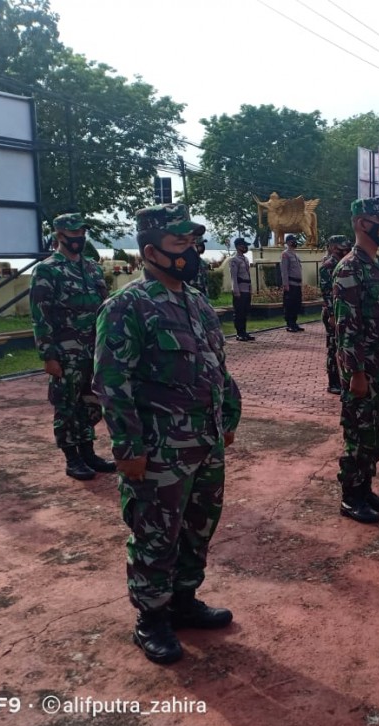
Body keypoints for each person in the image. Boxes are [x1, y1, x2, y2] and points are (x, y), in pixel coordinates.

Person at [93, 203, 242, 665]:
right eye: (182, 243)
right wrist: (127, 448)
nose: (192, 251)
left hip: (205, 442)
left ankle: (183, 600)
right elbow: (112, 384)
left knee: (198, 528)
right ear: (152, 251)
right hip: (158, 449)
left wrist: (229, 417)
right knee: (156, 534)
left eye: (193, 243)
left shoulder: (195, 302)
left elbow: (217, 367)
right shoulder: (126, 307)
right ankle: (151, 618)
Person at [29, 212, 114, 481]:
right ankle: (72, 457)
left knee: (91, 403)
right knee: (67, 405)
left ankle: (88, 451)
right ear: (59, 236)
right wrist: (48, 355)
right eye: (73, 234)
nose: (78, 238)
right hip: (65, 352)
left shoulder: (92, 267)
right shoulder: (47, 269)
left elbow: (104, 307)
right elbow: (40, 315)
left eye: (81, 233)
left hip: (94, 350)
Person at [333, 197, 379, 524]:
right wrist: (356, 373)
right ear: (362, 223)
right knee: (358, 435)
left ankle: (366, 487)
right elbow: (347, 327)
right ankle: (351, 495)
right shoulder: (349, 268)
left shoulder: (378, 266)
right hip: (364, 372)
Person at [320, 234, 352, 393]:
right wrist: (332, 315)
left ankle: (343, 379)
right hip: (332, 313)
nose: (345, 250)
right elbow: (327, 293)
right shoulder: (327, 266)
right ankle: (333, 383)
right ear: (333, 247)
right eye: (342, 247)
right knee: (333, 348)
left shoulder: (343, 263)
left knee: (343, 347)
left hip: (343, 311)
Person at [229, 238, 254, 342]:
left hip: (246, 289)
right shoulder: (234, 260)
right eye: (244, 245)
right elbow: (233, 277)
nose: (245, 247)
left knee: (245, 312)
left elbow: (248, 275)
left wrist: (250, 288)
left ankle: (244, 331)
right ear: (238, 246)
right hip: (239, 289)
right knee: (239, 312)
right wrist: (236, 290)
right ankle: (239, 333)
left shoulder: (245, 259)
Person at [280, 234, 304, 332]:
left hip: (297, 283)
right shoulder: (285, 254)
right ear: (288, 242)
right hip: (290, 283)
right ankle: (289, 324)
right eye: (293, 241)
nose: (295, 242)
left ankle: (294, 322)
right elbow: (284, 270)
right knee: (289, 304)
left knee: (296, 304)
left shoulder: (295, 254)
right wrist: (286, 284)